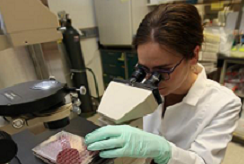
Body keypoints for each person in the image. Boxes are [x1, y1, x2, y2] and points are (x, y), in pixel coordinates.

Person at [85, 4, 242, 164]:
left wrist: (164, 151)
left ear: (194, 55)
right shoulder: (144, 85)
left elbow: (204, 161)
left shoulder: (224, 104)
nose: (152, 79)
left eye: (163, 70)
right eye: (144, 68)